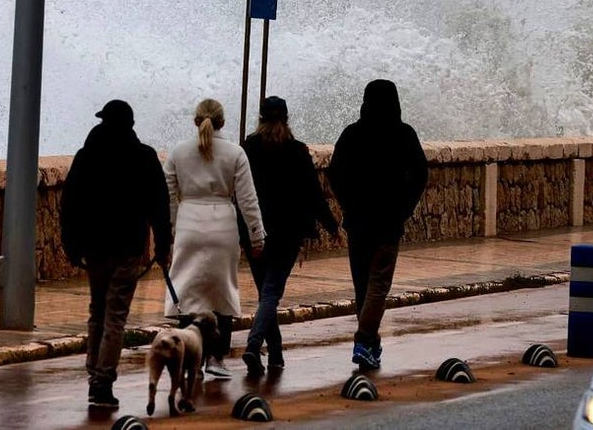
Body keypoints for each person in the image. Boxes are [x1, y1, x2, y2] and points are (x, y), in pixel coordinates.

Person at [60, 99, 172, 410]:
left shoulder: (87, 156)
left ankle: (94, 371)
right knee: (115, 315)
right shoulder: (144, 157)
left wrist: (71, 245)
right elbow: (159, 207)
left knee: (97, 310)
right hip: (127, 248)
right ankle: (103, 380)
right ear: (131, 125)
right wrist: (163, 247)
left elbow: (69, 203)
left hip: (95, 248)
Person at [326, 79, 428, 370]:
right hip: (388, 223)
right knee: (378, 285)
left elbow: (334, 173)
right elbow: (420, 174)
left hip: (358, 223)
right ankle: (364, 339)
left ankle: (370, 343)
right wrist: (403, 208)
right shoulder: (404, 134)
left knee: (363, 286)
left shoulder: (352, 134)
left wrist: (349, 203)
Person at [164, 98, 265, 380]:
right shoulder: (235, 154)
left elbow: (169, 198)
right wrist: (257, 235)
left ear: (196, 121)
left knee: (187, 290)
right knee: (222, 292)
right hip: (223, 224)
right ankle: (216, 357)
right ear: (222, 122)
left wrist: (171, 234)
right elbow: (248, 200)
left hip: (189, 225)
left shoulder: (178, 153)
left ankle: (188, 358)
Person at [239, 95, 339, 377]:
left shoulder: (248, 149)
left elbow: (240, 193)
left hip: (254, 232)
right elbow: (313, 193)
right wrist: (331, 226)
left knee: (265, 293)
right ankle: (254, 344)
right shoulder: (296, 151)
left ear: (260, 120)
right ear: (286, 119)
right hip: (287, 234)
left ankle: (277, 353)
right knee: (270, 293)